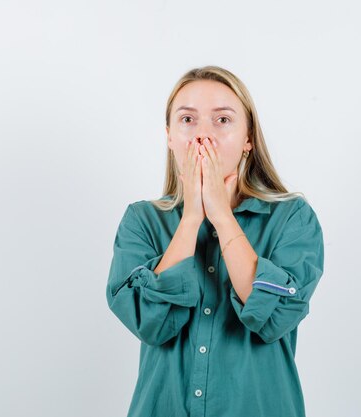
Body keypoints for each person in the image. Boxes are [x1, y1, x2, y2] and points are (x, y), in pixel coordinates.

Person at [105, 65, 325, 417]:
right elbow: (148, 321)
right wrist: (192, 217)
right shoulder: (141, 221)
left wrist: (221, 216)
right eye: (188, 120)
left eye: (222, 120)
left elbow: (276, 317)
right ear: (169, 135)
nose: (202, 136)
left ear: (248, 139)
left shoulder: (292, 218)